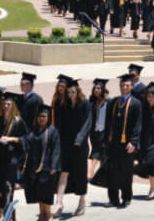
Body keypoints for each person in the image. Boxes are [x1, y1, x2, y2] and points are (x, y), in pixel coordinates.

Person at [104, 74, 142, 208]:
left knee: (126, 171)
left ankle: (126, 197)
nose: (124, 87)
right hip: (113, 143)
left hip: (127, 144)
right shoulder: (114, 102)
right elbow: (108, 122)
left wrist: (134, 142)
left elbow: (138, 125)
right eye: (122, 85)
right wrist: (105, 140)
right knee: (112, 171)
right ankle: (113, 198)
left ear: (132, 86)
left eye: (127, 85)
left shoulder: (136, 104)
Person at [55, 78, 91, 217]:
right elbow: (60, 124)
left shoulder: (85, 104)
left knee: (80, 173)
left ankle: (82, 201)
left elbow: (87, 123)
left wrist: (79, 139)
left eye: (73, 92)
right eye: (69, 92)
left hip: (80, 146)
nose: (71, 94)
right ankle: (59, 203)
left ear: (78, 91)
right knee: (63, 172)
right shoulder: (64, 104)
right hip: (66, 144)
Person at [0, 92, 28, 217]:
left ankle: (9, 215)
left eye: (9, 104)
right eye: (5, 104)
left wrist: (11, 139)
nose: (6, 106)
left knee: (8, 187)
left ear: (13, 106)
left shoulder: (18, 122)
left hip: (11, 159)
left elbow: (25, 139)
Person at [20, 105, 61, 221]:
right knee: (38, 191)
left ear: (48, 117)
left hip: (47, 168)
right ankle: (42, 213)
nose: (41, 118)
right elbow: (26, 141)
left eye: (44, 116)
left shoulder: (53, 131)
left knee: (46, 192)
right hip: (34, 167)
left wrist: (54, 165)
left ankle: (48, 214)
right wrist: (16, 140)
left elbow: (56, 150)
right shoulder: (34, 130)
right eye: (39, 116)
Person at [88, 78, 109, 178]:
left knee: (103, 153)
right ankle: (92, 173)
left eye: (99, 88)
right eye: (95, 88)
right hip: (94, 133)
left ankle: (96, 174)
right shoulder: (92, 103)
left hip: (105, 132)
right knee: (96, 151)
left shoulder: (109, 103)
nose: (96, 90)